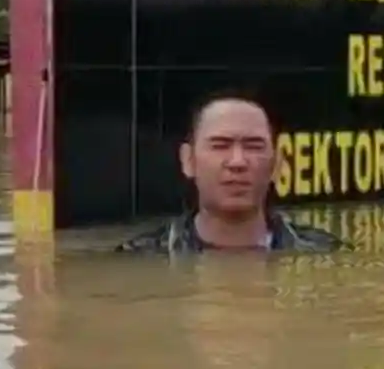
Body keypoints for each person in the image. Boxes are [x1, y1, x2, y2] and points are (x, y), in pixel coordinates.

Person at [116, 91, 346, 254]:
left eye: (254, 146)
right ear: (188, 161)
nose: (238, 162)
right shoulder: (142, 257)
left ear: (277, 164)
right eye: (220, 145)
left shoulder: (326, 254)